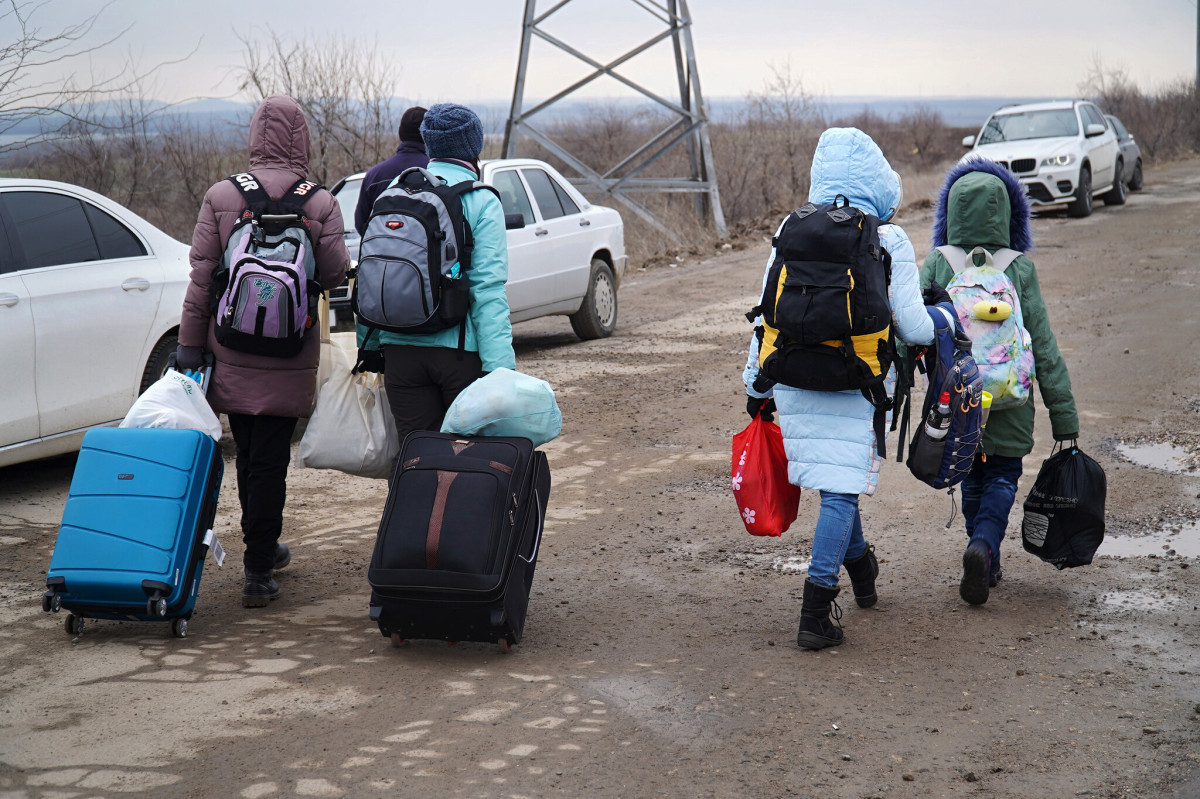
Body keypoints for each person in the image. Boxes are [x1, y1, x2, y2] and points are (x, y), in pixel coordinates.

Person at [743, 127, 934, 651]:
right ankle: (815, 609)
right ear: (878, 181)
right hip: (860, 384)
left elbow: (765, 315)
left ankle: (862, 568)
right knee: (841, 489)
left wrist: (754, 383)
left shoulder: (791, 228)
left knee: (835, 484)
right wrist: (946, 326)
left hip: (795, 379)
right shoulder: (888, 239)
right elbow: (916, 329)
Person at [177, 94, 350, 607]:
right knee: (271, 459)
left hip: (229, 347)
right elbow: (337, 272)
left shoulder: (222, 195)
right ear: (303, 140)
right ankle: (258, 568)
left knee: (247, 452)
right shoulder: (318, 202)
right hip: (289, 350)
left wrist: (189, 346)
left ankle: (263, 546)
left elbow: (202, 280)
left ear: (254, 137)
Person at [920, 158, 1078, 606]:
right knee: (1004, 475)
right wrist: (1064, 416)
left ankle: (980, 552)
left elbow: (912, 326)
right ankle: (985, 548)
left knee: (969, 473)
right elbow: (1043, 345)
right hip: (1010, 400)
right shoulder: (1019, 268)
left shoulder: (938, 262)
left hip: (958, 397)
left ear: (950, 213)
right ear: (1009, 214)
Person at [357, 102, 516, 441]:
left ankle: (410, 495)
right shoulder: (481, 200)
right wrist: (500, 368)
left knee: (415, 458)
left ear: (429, 144)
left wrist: (368, 346)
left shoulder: (392, 191)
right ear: (474, 146)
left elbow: (372, 274)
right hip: (459, 353)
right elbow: (488, 289)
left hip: (399, 351)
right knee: (467, 459)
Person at [353, 106, 429, 237]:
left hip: (381, 253)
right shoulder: (434, 173)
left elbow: (361, 224)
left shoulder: (374, 176)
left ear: (401, 133)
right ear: (428, 135)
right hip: (425, 255)